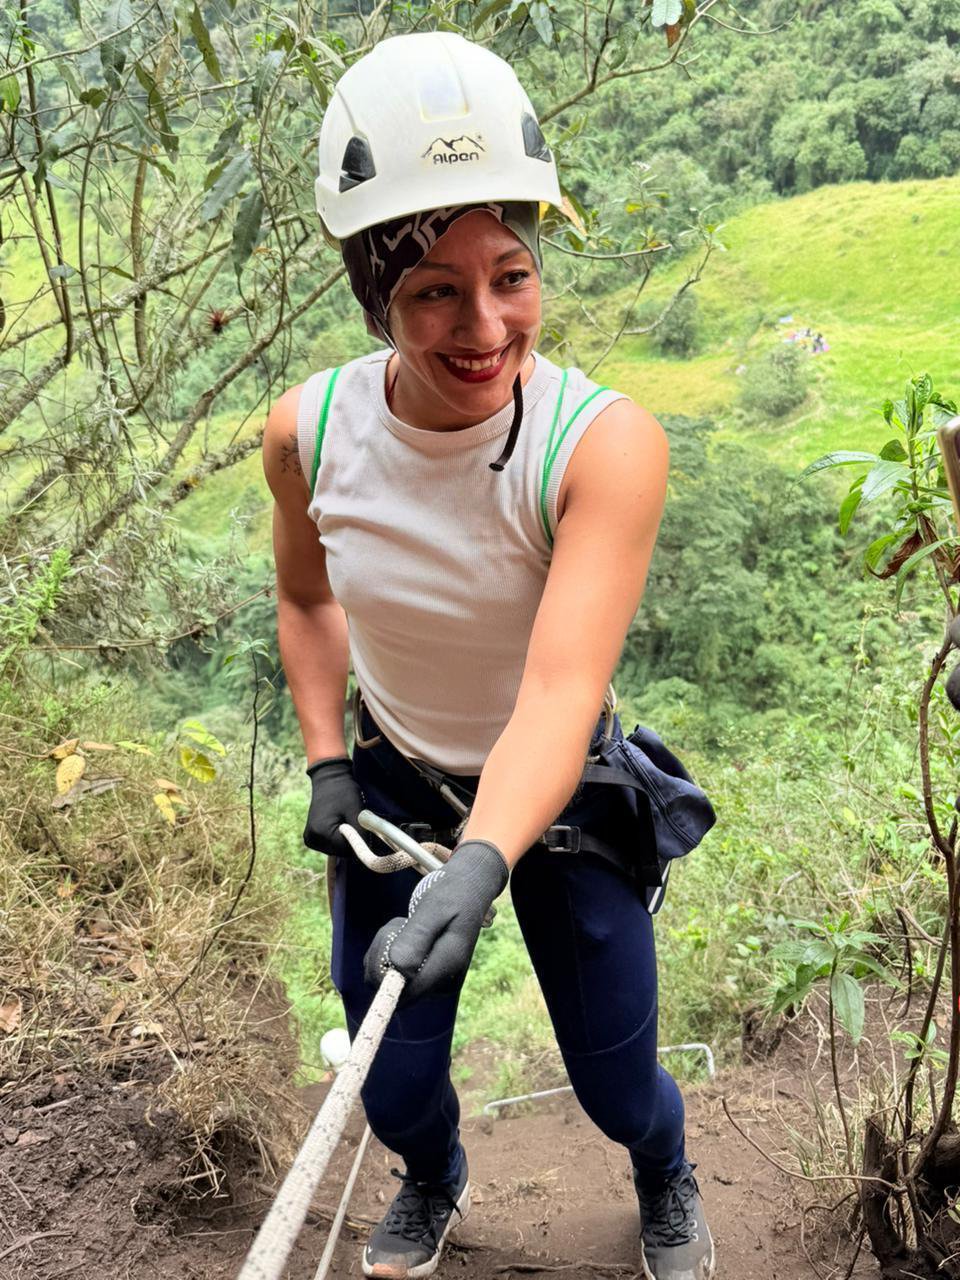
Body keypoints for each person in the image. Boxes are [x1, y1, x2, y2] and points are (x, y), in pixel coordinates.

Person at [262, 31, 716, 1280]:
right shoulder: (309, 433)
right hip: (396, 781)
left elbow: (562, 687)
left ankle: (663, 1163)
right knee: (391, 1076)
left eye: (512, 275)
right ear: (373, 295)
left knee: (617, 1076)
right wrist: (327, 762)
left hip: (563, 785)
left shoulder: (599, 444)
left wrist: (481, 858)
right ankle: (432, 1171)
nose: (486, 326)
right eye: (432, 292)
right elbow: (306, 597)